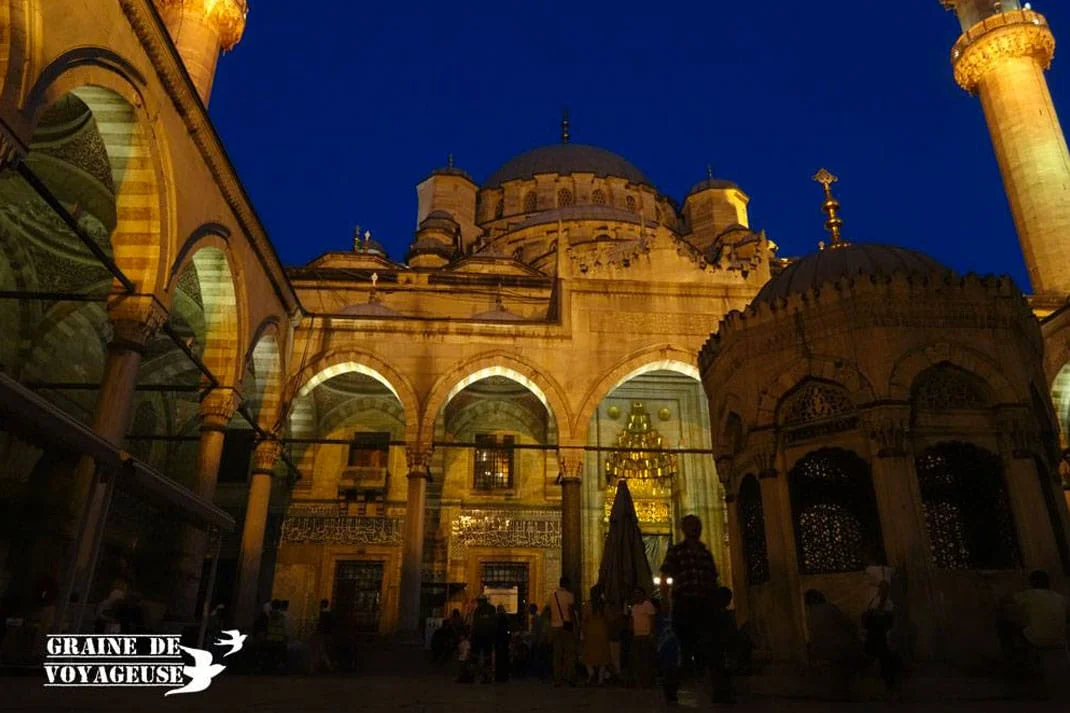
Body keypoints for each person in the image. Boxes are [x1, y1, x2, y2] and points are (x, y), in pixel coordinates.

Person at [660, 515, 719, 681]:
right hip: (684, 605)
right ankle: (673, 683)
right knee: (685, 648)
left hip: (704, 606)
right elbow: (665, 576)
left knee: (708, 646)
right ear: (684, 529)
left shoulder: (705, 553)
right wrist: (665, 601)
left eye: (697, 525)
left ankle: (712, 684)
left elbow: (712, 579)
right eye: (691, 525)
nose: (695, 528)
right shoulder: (676, 551)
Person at [1010, 570, 1070, 701]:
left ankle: (1018, 665)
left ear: (1033, 582)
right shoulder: (1060, 598)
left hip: (1037, 639)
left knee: (1007, 627)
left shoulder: (1029, 594)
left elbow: (1008, 602)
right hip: (1060, 640)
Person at [804, 589, 863, 700]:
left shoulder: (810, 615)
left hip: (822, 650)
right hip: (839, 649)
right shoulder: (831, 609)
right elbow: (850, 625)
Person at [862, 580, 899, 695]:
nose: (882, 591)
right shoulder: (874, 601)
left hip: (881, 634)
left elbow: (889, 619)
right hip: (874, 634)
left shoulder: (889, 604)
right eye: (881, 589)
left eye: (884, 589)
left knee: (884, 659)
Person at [710, 587, 737, 704]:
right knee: (722, 671)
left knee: (719, 671)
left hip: (718, 646)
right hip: (720, 646)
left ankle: (720, 693)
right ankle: (723, 693)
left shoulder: (715, 614)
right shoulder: (722, 615)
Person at [582, 584, 612, 684]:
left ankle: (591, 673)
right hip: (602, 632)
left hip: (590, 632)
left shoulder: (588, 605)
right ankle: (600, 679)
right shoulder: (604, 606)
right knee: (603, 657)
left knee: (588, 655)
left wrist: (583, 632)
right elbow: (608, 619)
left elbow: (584, 619)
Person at [550, 576, 577, 686]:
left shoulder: (552, 595)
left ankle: (557, 678)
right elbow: (570, 611)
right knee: (569, 652)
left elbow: (549, 610)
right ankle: (568, 676)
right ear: (567, 584)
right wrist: (575, 624)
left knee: (557, 654)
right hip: (567, 624)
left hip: (555, 625)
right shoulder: (569, 595)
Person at [654, 598, 681, 703]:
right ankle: (669, 694)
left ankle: (672, 694)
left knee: (673, 674)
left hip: (673, 648)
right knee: (667, 673)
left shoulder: (674, 619)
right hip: (665, 649)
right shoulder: (659, 619)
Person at [630, 586, 657, 688]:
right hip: (637, 635)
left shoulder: (648, 605)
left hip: (646, 635)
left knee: (646, 659)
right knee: (638, 659)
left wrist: (651, 633)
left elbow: (652, 620)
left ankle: (647, 681)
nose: (637, 595)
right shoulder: (634, 607)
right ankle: (640, 681)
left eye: (638, 593)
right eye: (635, 593)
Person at [470, 595, 497, 684]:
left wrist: (472, 635)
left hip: (479, 637)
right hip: (486, 637)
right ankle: (486, 677)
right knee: (486, 658)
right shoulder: (491, 609)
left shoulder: (479, 610)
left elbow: (475, 624)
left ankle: (472, 676)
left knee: (476, 657)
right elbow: (493, 624)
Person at [310, 599, 335, 673]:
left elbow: (317, 625)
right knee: (322, 651)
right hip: (327, 634)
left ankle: (315, 667)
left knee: (318, 651)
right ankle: (328, 666)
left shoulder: (321, 614)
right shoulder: (330, 614)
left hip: (320, 634)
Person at [494, 604, 512, 682]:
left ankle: (499, 676)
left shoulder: (497, 618)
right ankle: (504, 675)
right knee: (504, 657)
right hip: (504, 641)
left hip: (499, 640)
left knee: (499, 658)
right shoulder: (506, 618)